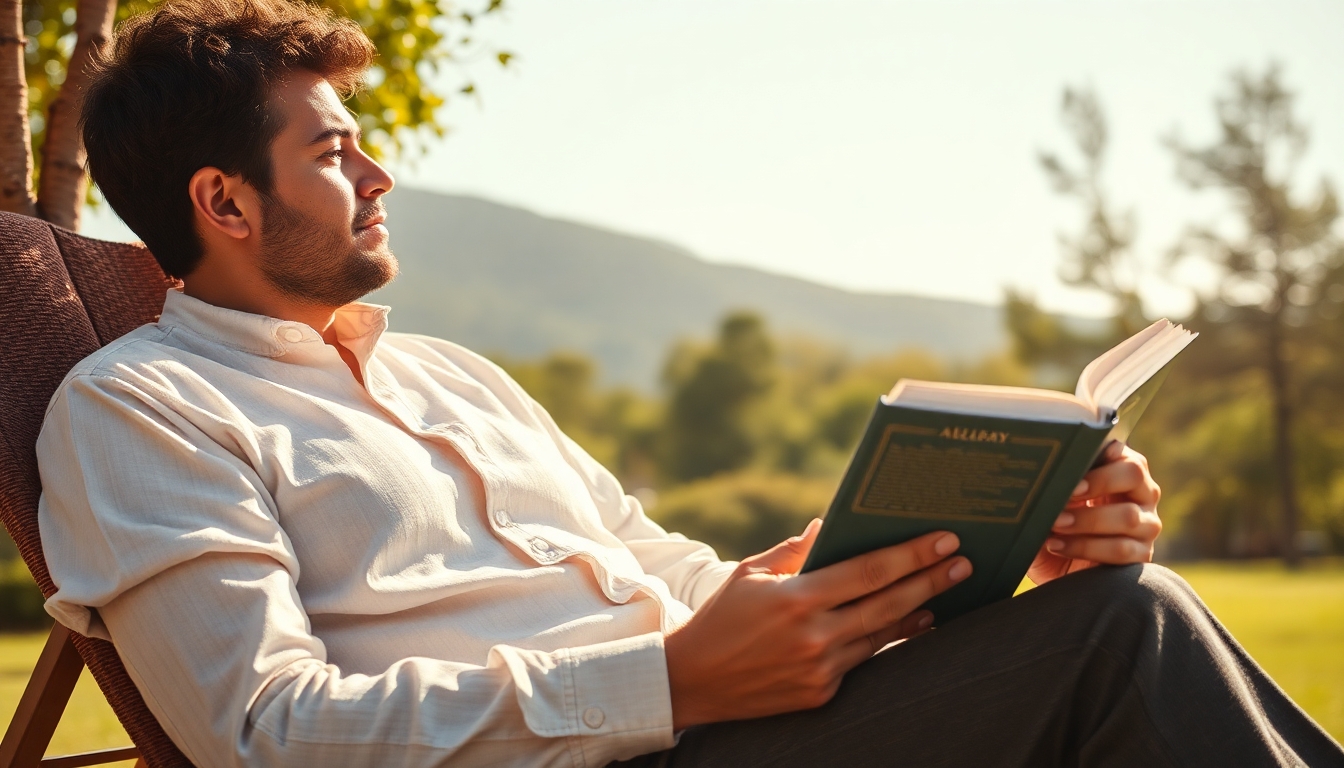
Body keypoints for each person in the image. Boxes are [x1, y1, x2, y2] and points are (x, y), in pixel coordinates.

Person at [33, 0, 1343, 766]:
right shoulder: (142, 412)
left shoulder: (455, 378)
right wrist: (665, 686)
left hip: (717, 729)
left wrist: (952, 555)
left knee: (1109, 596)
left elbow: (691, 590)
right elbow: (261, 732)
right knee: (1132, 635)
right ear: (224, 202)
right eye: (333, 153)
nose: (379, 176)